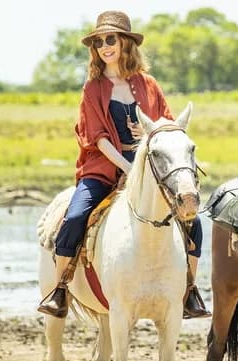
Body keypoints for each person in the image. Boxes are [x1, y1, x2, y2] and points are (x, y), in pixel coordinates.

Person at [37, 10, 210, 319]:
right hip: (104, 167)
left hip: (152, 170)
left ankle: (189, 289)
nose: (104, 46)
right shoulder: (92, 89)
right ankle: (60, 289)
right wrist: (129, 169)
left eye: (110, 39)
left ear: (125, 43)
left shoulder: (149, 84)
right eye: (99, 41)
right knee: (75, 216)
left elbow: (167, 127)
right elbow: (98, 138)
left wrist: (148, 133)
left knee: (192, 221)